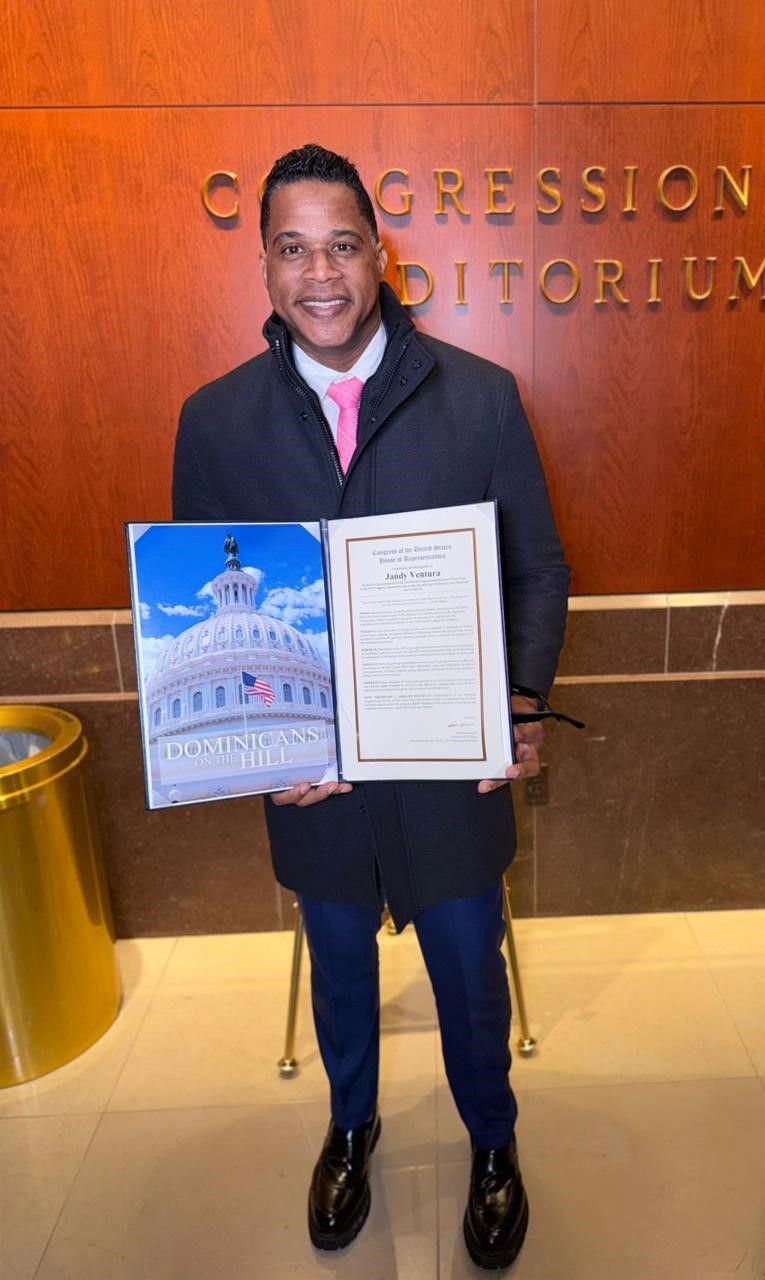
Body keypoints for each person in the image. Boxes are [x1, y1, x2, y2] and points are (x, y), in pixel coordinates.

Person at [173, 143, 569, 1270]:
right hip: (315, 782)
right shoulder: (215, 425)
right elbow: (191, 596)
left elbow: (538, 568)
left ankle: (493, 1143)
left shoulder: (481, 398)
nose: (321, 274)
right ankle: (351, 1127)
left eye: (342, 245)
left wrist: (523, 700)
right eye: (293, 249)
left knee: (468, 976)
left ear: (379, 255)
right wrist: (257, 753)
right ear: (262, 264)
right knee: (339, 971)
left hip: (453, 775)